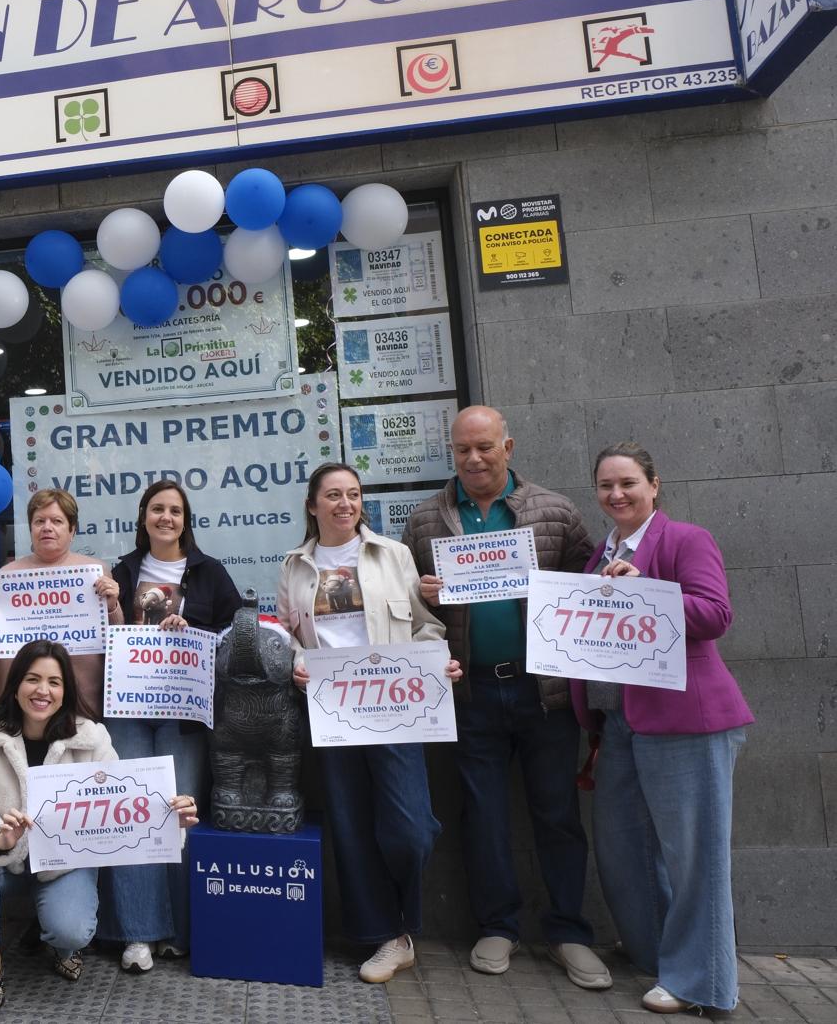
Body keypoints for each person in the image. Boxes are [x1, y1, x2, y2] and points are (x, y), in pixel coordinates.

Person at [401, 405, 610, 989]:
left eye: (485, 447)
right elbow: (405, 613)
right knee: (484, 819)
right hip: (471, 695)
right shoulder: (424, 522)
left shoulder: (555, 511)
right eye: (463, 449)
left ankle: (569, 932)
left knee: (558, 816)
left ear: (508, 447)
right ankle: (499, 926)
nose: (473, 459)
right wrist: (422, 594)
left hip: (542, 692)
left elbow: (590, 589)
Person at [571, 443, 752, 1014]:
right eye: (605, 486)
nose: (616, 494)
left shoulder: (685, 540)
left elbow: (715, 615)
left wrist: (644, 588)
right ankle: (658, 957)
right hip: (620, 722)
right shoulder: (596, 556)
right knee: (625, 850)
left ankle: (702, 983)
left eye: (627, 483)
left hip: (687, 721)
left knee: (694, 858)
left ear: (654, 484)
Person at [277, 463, 462, 984]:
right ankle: (388, 938)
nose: (344, 504)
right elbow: (289, 633)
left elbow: (427, 627)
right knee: (352, 827)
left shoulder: (392, 555)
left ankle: (402, 918)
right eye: (332, 495)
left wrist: (435, 663)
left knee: (412, 829)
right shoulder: (295, 566)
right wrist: (294, 660)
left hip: (395, 708)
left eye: (353, 495)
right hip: (333, 711)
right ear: (313, 505)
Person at [0, 640, 200, 1014]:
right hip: (8, 862)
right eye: (32, 679)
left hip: (64, 866)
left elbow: (124, 804)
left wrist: (167, 817)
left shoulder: (91, 736)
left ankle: (61, 945)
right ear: (15, 684)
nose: (42, 691)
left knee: (71, 930)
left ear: (66, 690)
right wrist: (0, 837)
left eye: (54, 682)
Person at [99, 479, 240, 971]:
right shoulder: (122, 571)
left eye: (175, 511)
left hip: (184, 714)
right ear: (143, 517)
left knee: (176, 815)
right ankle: (137, 933)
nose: (165, 518)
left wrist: (194, 632)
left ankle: (178, 929)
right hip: (129, 710)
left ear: (186, 519)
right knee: (134, 814)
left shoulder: (209, 572)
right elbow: (101, 633)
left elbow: (236, 629)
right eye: (157, 509)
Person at [0, 488, 124, 716]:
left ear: (72, 530)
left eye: (57, 521)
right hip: (20, 705)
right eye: (39, 521)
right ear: (31, 528)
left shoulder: (95, 572)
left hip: (81, 702)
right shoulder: (5, 576)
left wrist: (113, 605)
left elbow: (116, 640)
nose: (47, 528)